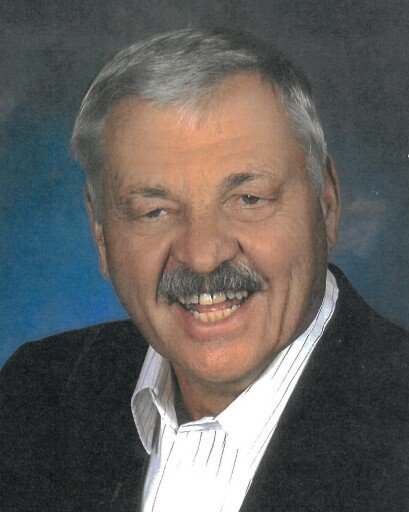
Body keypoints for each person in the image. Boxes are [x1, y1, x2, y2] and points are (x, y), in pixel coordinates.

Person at [1, 28, 407, 512]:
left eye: (248, 199)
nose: (203, 255)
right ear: (101, 233)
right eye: (154, 211)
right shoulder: (35, 394)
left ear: (327, 202)